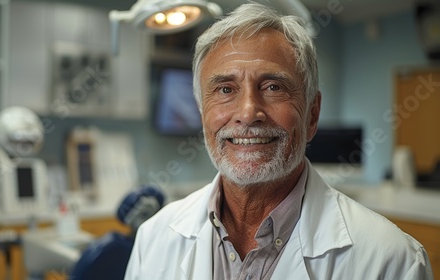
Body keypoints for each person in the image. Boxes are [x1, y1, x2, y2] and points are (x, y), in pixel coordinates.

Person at [124, 2, 434, 280]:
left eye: (273, 87)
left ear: (312, 114)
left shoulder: (392, 261)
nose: (247, 113)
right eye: (225, 90)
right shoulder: (154, 237)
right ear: (203, 113)